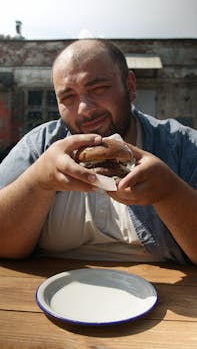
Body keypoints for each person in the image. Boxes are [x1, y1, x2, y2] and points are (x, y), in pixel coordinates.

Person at [0, 39, 196, 264]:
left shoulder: (181, 145)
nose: (84, 109)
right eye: (68, 98)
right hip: (49, 292)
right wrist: (37, 182)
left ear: (130, 86)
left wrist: (170, 193)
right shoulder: (39, 146)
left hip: (164, 296)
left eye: (99, 89)